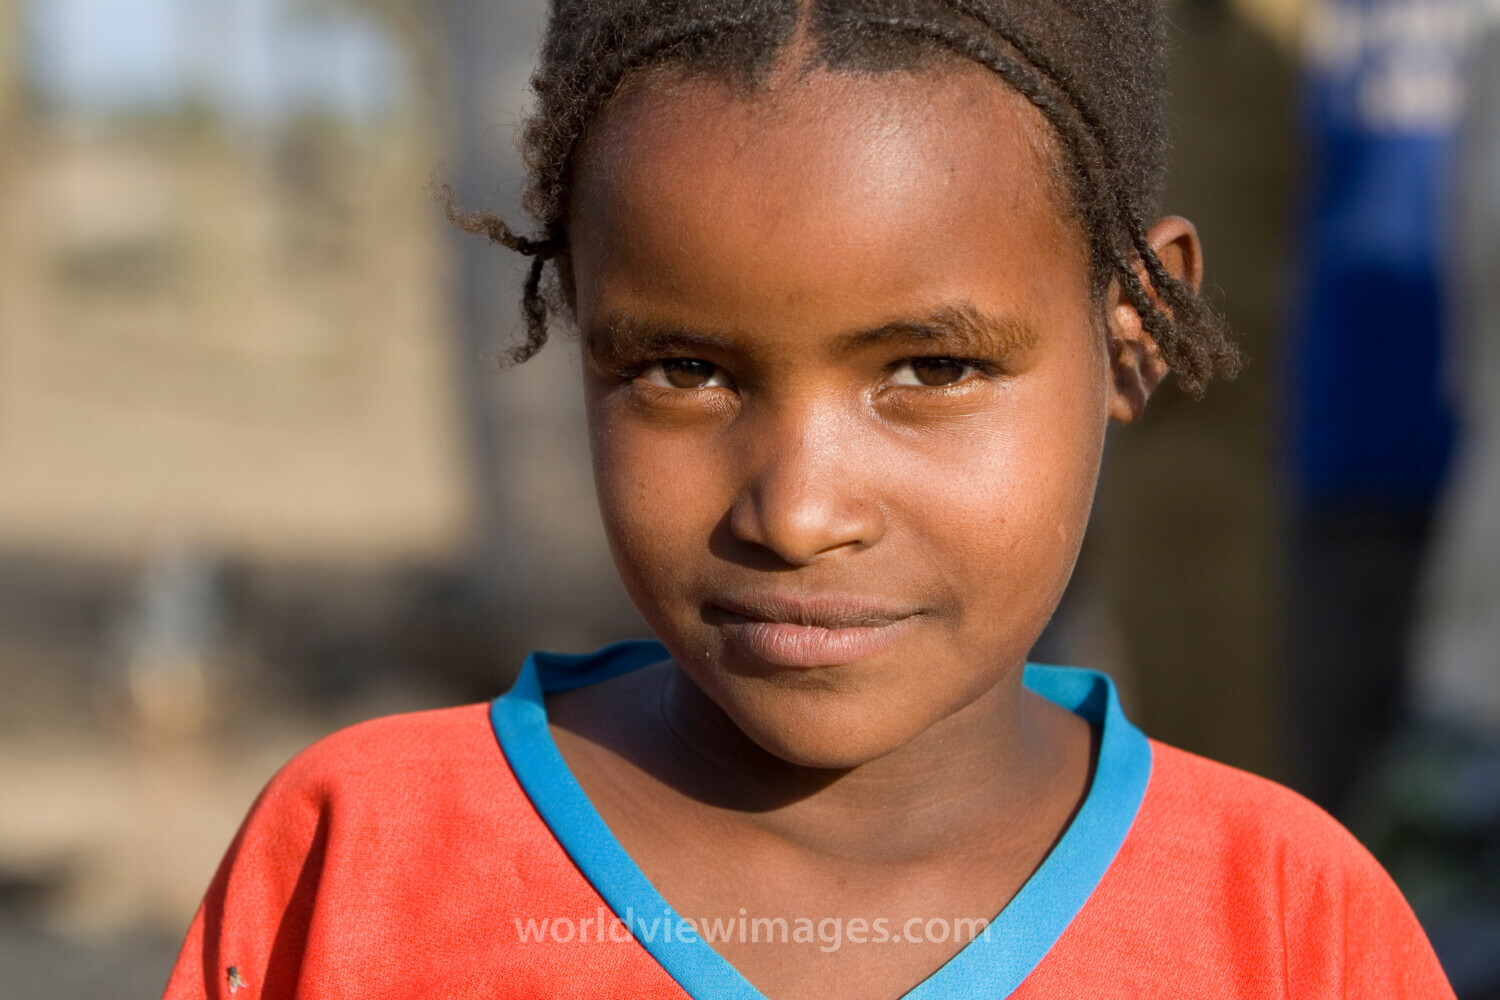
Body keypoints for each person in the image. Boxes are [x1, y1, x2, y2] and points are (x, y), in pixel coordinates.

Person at [163, 1, 1454, 997]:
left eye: (931, 369)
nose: (796, 511)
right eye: (684, 370)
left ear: (1130, 338)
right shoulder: (363, 869)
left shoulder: (1285, 924)